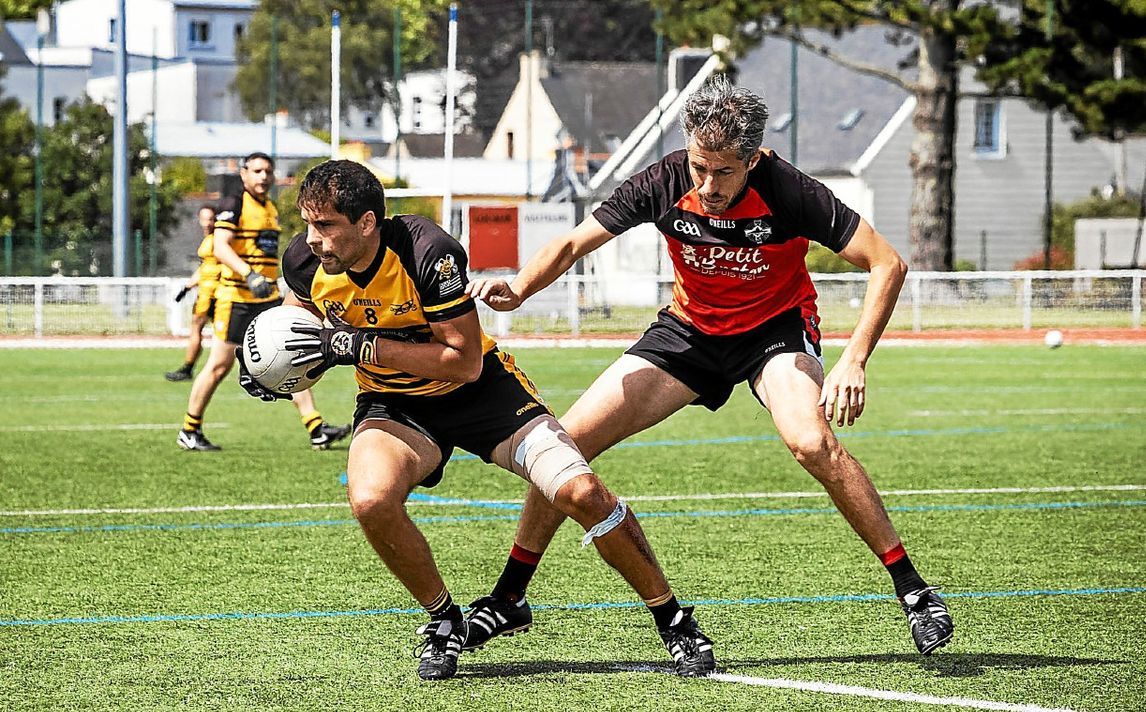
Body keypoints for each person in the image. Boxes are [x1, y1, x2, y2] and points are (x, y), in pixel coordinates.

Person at [465, 77, 955, 656]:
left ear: (754, 158)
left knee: (811, 444)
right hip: (689, 334)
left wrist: (856, 359)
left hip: (773, 331)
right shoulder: (665, 179)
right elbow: (574, 244)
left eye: (724, 171)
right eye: (700, 167)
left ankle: (914, 590)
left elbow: (887, 263)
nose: (707, 184)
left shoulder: (790, 191)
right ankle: (509, 598)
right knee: (563, 450)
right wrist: (521, 288)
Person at [239, 159, 715, 680]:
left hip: (481, 393)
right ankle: (444, 622)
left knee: (583, 493)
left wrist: (357, 344)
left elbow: (462, 362)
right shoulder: (306, 261)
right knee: (371, 498)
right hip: (395, 403)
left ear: (368, 223)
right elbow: (298, 321)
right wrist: (277, 368)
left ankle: (673, 619)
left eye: (326, 226)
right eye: (309, 225)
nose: (314, 240)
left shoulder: (427, 252)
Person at [176, 152, 350, 452]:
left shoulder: (270, 207)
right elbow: (220, 246)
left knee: (295, 354)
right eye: (256, 171)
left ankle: (316, 428)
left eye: (268, 171)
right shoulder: (234, 204)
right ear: (243, 174)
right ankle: (189, 429)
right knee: (219, 365)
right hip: (238, 297)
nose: (263, 177)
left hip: (267, 296)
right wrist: (250, 275)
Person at [165, 205, 220, 382]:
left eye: (211, 218)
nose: (207, 223)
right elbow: (205, 268)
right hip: (205, 292)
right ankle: (188, 367)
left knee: (212, 331)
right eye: (204, 218)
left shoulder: (219, 239)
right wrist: (187, 287)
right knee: (200, 329)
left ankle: (188, 368)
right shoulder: (208, 240)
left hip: (214, 293)